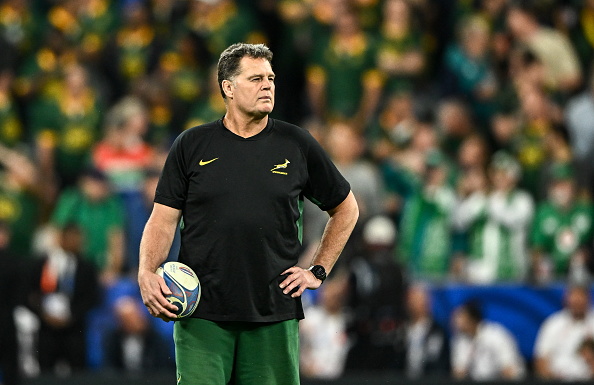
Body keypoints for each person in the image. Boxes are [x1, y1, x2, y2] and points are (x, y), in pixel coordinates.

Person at [138, 43, 359, 385]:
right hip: (203, 314)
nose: (268, 85)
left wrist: (318, 269)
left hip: (273, 311)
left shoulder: (296, 144)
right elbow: (162, 219)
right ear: (228, 87)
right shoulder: (191, 145)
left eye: (270, 78)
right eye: (255, 78)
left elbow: (346, 209)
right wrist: (146, 271)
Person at [451, 301, 525, 380]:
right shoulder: (459, 341)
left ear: (472, 319)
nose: (454, 322)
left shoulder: (496, 336)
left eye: (460, 317)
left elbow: (510, 371)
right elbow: (458, 373)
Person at [534, 284, 594, 380]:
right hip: (556, 380)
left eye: (581, 296)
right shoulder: (553, 323)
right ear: (566, 298)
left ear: (588, 298)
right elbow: (541, 360)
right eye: (574, 296)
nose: (578, 301)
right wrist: (551, 379)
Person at [404, 283, 449, 379]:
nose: (413, 303)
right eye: (411, 299)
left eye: (418, 300)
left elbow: (438, 362)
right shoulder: (403, 328)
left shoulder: (436, 330)